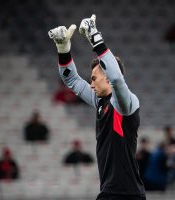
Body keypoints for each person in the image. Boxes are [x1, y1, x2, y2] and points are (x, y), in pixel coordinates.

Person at [48, 14, 146, 200]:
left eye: (94, 79)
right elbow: (71, 79)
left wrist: (94, 35)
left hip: (127, 195)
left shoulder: (126, 104)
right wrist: (63, 49)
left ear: (107, 78)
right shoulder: (101, 101)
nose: (91, 85)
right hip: (110, 193)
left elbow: (117, 79)